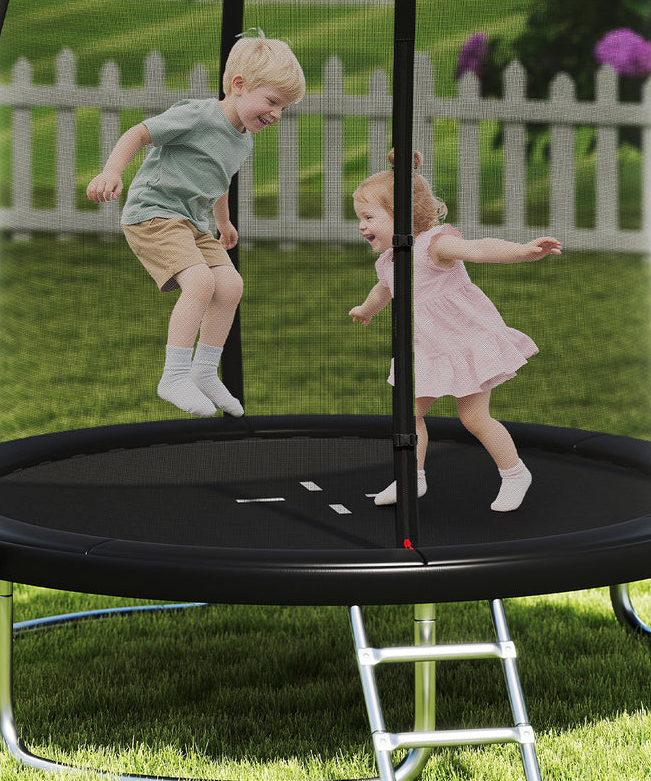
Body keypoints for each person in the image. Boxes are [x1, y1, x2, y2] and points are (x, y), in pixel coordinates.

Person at [87, 31, 305, 417]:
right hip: (153, 213)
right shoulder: (198, 115)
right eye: (272, 101)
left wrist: (224, 223)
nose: (276, 114)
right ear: (239, 86)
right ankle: (173, 376)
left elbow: (219, 180)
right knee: (201, 282)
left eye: (284, 108)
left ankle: (204, 371)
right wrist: (111, 172)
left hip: (192, 221)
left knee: (231, 284)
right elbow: (139, 134)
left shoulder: (243, 140)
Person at [349, 152, 561, 511]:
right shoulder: (388, 260)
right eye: (360, 219)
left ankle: (514, 474)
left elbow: (477, 249)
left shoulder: (435, 246)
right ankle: (411, 478)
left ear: (403, 214)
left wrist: (522, 252)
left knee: (474, 418)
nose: (361, 226)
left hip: (466, 344)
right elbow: (384, 289)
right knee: (408, 417)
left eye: (369, 217)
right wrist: (366, 309)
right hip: (427, 350)